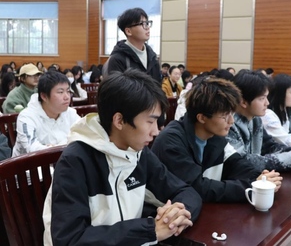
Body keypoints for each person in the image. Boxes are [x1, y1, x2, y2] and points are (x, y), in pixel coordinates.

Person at [43, 69, 202, 246]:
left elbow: (185, 191)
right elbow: (70, 239)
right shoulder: (76, 161)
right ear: (119, 120)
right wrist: (149, 230)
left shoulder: (138, 152)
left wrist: (178, 214)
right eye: (150, 122)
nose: (156, 131)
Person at [151, 74, 276, 203]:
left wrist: (261, 178)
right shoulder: (171, 141)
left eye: (232, 114)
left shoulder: (214, 136)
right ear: (202, 118)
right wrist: (251, 187)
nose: (231, 121)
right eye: (224, 116)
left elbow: (237, 164)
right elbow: (197, 187)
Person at [227, 70, 291, 172]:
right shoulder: (228, 125)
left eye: (266, 97)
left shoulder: (255, 120)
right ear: (243, 102)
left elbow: (270, 146)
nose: (267, 103)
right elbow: (245, 161)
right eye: (262, 98)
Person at [13, 71, 79, 156]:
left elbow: (84, 135)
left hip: (63, 160)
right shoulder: (26, 117)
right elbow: (32, 149)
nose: (67, 97)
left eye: (68, 91)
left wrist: (55, 147)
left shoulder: (71, 113)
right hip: (32, 163)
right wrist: (67, 143)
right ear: (44, 96)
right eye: (60, 92)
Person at [103, 7, 161, 83]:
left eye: (147, 23)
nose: (147, 28)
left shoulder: (152, 57)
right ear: (128, 31)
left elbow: (158, 85)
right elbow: (116, 89)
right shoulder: (117, 59)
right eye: (142, 24)